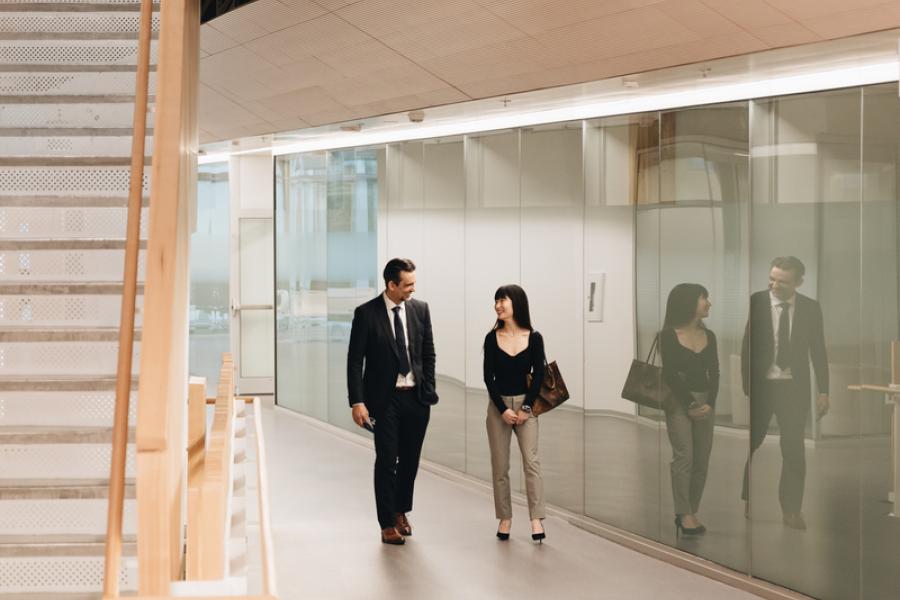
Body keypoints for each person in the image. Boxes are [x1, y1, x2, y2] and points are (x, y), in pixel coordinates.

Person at [346, 258, 439, 545]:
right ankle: (387, 523)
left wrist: (428, 390)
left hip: (416, 399)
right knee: (387, 460)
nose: (412, 289)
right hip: (384, 401)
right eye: (407, 284)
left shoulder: (420, 310)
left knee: (410, 461)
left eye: (413, 283)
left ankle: (400, 511)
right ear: (391, 285)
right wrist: (357, 402)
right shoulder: (366, 314)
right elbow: (354, 361)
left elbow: (428, 354)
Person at [741, 256, 829, 531]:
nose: (775, 285)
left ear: (799, 282)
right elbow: (747, 346)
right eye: (772, 278)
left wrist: (824, 390)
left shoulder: (811, 309)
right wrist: (748, 386)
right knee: (753, 443)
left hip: (794, 389)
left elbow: (818, 351)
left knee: (793, 449)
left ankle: (791, 509)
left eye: (783, 281)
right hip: (763, 387)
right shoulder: (757, 301)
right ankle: (748, 498)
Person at [482, 284, 546, 543]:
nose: (498, 305)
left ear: (516, 303)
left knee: (531, 463)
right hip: (499, 407)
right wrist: (503, 409)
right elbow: (488, 377)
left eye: (502, 300)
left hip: (526, 407)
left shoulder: (534, 336)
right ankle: (505, 518)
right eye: (496, 300)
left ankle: (536, 519)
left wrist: (526, 408)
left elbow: (539, 374)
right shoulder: (491, 337)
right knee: (500, 466)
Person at [659, 283, 719, 537]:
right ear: (689, 303)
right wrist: (691, 405)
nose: (708, 302)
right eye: (703, 298)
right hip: (678, 402)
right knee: (685, 456)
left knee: (702, 459)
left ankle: (691, 509)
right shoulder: (668, 335)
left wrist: (710, 403)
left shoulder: (711, 335)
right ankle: (684, 513)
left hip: (705, 401)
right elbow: (671, 375)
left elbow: (714, 373)